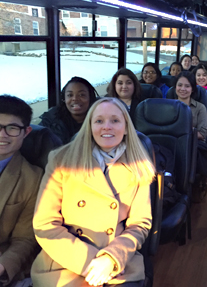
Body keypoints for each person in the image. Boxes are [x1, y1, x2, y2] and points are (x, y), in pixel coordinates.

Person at [31, 97, 155, 287]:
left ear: (126, 127)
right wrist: (90, 262)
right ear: (89, 126)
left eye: (115, 120)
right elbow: (45, 224)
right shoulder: (61, 160)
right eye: (99, 121)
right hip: (65, 260)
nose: (107, 126)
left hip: (118, 260)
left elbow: (140, 224)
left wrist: (111, 258)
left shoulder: (139, 165)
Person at [0, 95, 43, 286]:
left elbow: (24, 239)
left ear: (26, 132)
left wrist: (3, 266)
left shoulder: (32, 178)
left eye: (12, 128)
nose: (3, 134)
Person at [39, 76, 99, 144]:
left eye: (82, 95)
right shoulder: (50, 121)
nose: (75, 99)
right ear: (64, 98)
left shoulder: (102, 118)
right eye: (70, 95)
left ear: (90, 97)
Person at [175, 71, 207, 140]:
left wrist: (182, 128)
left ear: (192, 89)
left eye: (187, 86)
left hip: (192, 143)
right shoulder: (167, 106)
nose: (183, 89)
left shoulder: (200, 108)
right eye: (180, 85)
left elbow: (202, 134)